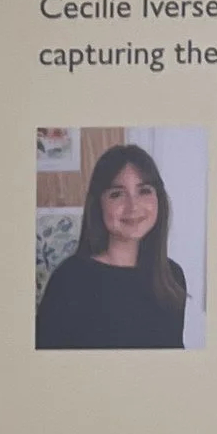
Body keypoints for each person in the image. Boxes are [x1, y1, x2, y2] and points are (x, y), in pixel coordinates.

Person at [35, 141, 188, 349]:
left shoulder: (172, 277)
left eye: (144, 191)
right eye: (117, 194)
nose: (132, 207)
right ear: (98, 205)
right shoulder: (69, 281)